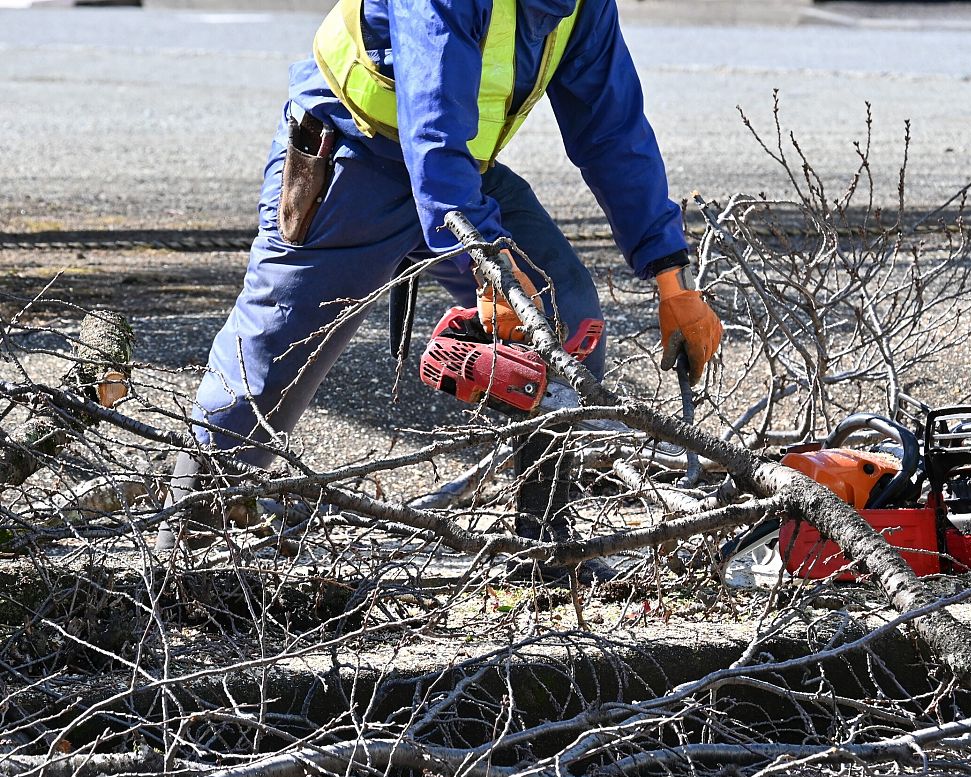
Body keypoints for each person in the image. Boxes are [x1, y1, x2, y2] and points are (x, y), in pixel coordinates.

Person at [157, 0, 723, 566]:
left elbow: (611, 130)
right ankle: (184, 547)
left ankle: (545, 549)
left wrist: (671, 278)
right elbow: (434, 118)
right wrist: (486, 260)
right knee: (267, 365)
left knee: (561, 315)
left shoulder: (580, 6)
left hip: (459, 175)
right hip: (353, 158)